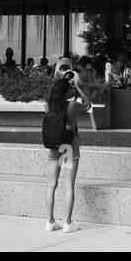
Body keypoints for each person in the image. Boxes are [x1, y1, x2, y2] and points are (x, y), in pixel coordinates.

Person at [43, 59, 90, 234]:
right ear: (68, 90)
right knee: (69, 185)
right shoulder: (73, 106)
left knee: (51, 185)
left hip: (53, 146)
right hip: (68, 147)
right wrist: (77, 86)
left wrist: (59, 82)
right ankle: (68, 224)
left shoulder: (48, 105)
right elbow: (88, 104)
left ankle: (50, 222)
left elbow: (51, 98)